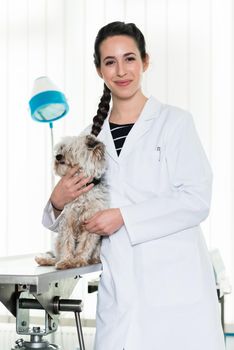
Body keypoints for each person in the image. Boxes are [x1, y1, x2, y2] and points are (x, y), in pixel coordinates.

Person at [42, 21, 225, 350]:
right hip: (122, 293)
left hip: (177, 290)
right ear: (99, 70)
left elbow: (197, 199)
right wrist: (57, 201)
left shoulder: (174, 123)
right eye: (110, 62)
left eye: (129, 59)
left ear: (145, 62)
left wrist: (124, 216)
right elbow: (74, 218)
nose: (121, 70)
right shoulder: (88, 139)